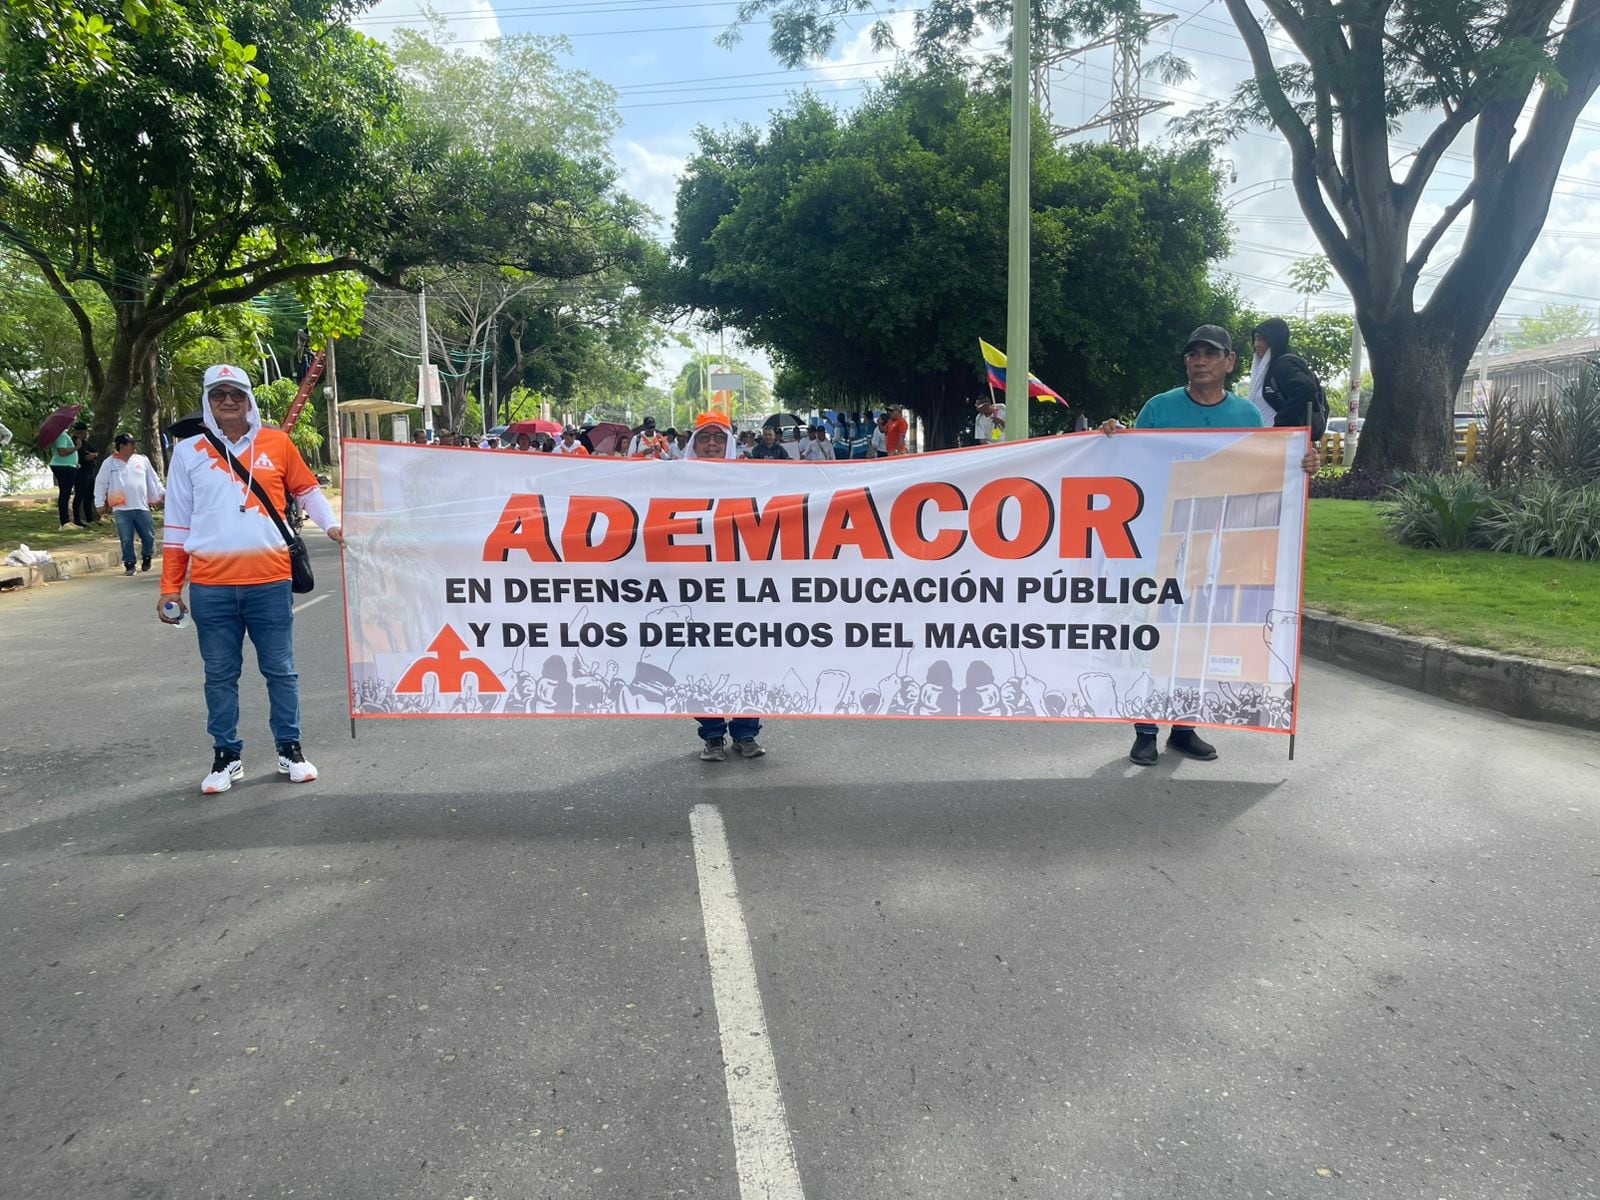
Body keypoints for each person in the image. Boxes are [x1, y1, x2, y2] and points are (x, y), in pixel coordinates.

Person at [1100, 325, 1319, 768]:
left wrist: (1304, 461)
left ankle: (1183, 727)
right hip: (1163, 540)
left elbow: (1264, 471)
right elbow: (1131, 465)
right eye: (1192, 353)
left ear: (1229, 362)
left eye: (1210, 354)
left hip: (1218, 544)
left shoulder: (1245, 416)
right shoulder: (1159, 408)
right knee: (1156, 634)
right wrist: (1110, 437)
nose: (1199, 361)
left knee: (1199, 633)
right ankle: (1145, 729)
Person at [157, 364, 345, 795]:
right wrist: (170, 587)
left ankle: (290, 749)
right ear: (208, 400)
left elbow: (307, 491)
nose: (228, 400)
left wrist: (332, 526)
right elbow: (177, 525)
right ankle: (226, 756)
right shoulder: (188, 453)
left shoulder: (276, 443)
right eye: (219, 393)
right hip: (211, 586)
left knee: (281, 671)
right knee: (220, 674)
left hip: (270, 580)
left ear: (249, 400)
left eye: (236, 394)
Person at [682, 410, 766, 760]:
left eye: (718, 437)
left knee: (749, 660)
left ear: (729, 442)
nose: (712, 444)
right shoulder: (674, 480)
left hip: (742, 588)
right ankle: (712, 735)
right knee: (701, 663)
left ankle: (746, 733)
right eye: (705, 438)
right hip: (693, 587)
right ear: (694, 443)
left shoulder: (752, 480)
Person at [94, 432, 164, 575]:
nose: (134, 446)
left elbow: (153, 479)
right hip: (121, 507)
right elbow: (101, 483)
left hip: (141, 505)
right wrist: (99, 502)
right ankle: (130, 564)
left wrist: (162, 493)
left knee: (148, 536)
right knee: (126, 538)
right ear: (122, 446)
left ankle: (147, 557)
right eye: (131, 444)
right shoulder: (109, 463)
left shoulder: (142, 460)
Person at [1249, 318, 1325, 430]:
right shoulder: (1267, 369)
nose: (1256, 345)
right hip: (1266, 440)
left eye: (1261, 339)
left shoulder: (1283, 365)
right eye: (1255, 339)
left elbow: (1306, 388)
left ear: (1274, 340)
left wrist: (1281, 424)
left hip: (1281, 441)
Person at [48, 419, 81, 530]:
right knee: (65, 493)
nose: (72, 423)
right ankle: (64, 522)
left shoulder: (64, 434)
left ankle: (66, 520)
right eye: (70, 421)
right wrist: (77, 448)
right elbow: (62, 452)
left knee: (66, 494)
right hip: (63, 467)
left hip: (68, 466)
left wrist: (74, 462)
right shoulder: (61, 436)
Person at [71, 421, 103, 525]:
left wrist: (93, 455)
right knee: (79, 496)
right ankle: (77, 520)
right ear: (82, 431)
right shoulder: (75, 441)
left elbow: (95, 452)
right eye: (86, 431)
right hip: (81, 472)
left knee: (89, 496)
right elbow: (84, 456)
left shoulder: (85, 442)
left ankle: (90, 518)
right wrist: (91, 455)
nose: (87, 433)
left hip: (89, 471)